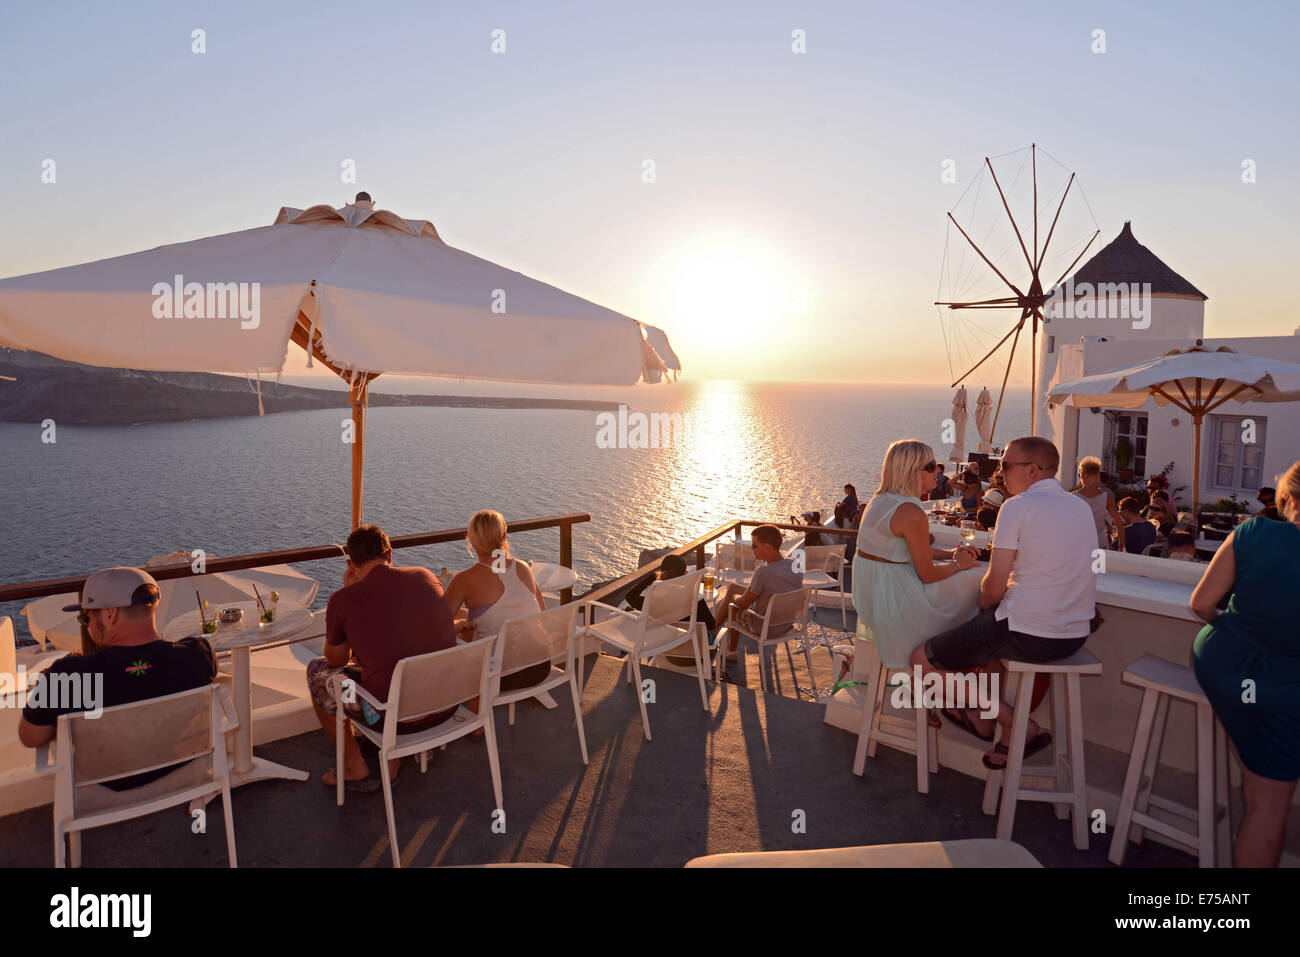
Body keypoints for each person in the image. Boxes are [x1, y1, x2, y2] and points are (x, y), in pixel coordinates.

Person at [909, 436, 1097, 768]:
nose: (999, 473)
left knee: (920, 660)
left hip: (1028, 634)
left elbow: (994, 589)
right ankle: (990, 722)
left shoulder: (1017, 507)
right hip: (1074, 637)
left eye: (1006, 466)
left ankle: (1015, 723)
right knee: (984, 654)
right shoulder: (1080, 507)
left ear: (1034, 470)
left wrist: (983, 602)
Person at [18, 567, 218, 791]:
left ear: (109, 614)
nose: (88, 625)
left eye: (87, 617)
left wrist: (47, 689)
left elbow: (30, 737)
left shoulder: (68, 675)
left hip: (106, 787)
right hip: (179, 771)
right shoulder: (198, 655)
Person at [1191, 460, 1300, 867]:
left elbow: (1201, 605)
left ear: (1288, 500)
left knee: (1261, 801)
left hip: (1223, 664)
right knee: (1268, 809)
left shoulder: (1254, 531)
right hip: (1281, 688)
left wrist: (1239, 626)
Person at [306, 524, 459, 792]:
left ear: (350, 563)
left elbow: (336, 659)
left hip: (391, 719)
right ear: (390, 554)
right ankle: (394, 757)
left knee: (317, 672)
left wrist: (348, 595)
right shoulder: (425, 576)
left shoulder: (344, 599)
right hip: (446, 706)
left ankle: (354, 765)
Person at [851, 439, 981, 688]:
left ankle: (941, 680)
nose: (938, 471)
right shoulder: (911, 511)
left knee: (969, 581)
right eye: (931, 466)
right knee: (977, 583)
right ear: (912, 470)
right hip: (897, 602)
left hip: (873, 596)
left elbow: (896, 551)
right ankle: (952, 671)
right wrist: (958, 565)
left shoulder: (880, 500)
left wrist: (951, 554)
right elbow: (928, 575)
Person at [444, 510, 551, 693]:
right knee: (478, 621)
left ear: (470, 539)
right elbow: (541, 611)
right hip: (540, 666)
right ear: (504, 535)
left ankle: (469, 709)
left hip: (498, 677)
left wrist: (462, 625)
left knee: (465, 633)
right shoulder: (523, 567)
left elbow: (438, 627)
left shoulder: (464, 580)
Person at [713, 525, 803, 663]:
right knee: (733, 588)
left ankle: (727, 647)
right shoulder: (795, 564)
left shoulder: (763, 572)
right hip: (787, 623)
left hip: (764, 627)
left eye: (754, 546)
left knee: (732, 605)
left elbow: (743, 603)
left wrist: (734, 599)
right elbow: (779, 588)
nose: (751, 549)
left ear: (767, 548)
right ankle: (712, 632)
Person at [1073, 456, 1124, 551]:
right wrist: (1121, 546)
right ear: (1098, 477)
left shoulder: (1073, 497)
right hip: (1099, 542)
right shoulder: (1106, 497)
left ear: (1082, 475)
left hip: (1078, 543)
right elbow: (1119, 523)